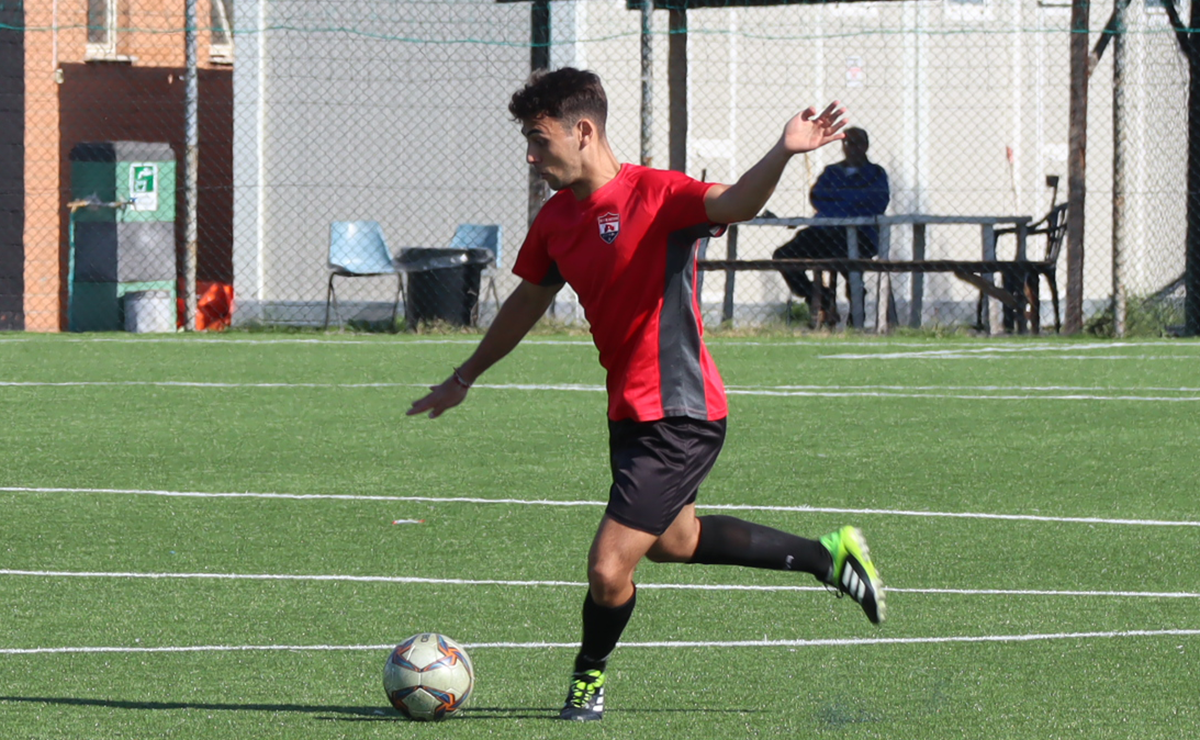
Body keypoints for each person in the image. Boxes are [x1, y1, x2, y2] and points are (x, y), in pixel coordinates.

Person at [407, 67, 884, 722]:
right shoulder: (555, 221)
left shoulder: (658, 194)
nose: (531, 156)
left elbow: (738, 202)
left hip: (680, 412)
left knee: (609, 569)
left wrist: (783, 150)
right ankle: (828, 556)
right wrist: (465, 376)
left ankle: (588, 679)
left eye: (539, 140)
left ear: (582, 131)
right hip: (629, 413)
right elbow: (526, 302)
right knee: (675, 541)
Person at [772, 127, 890, 325]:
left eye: (857, 143)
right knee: (784, 256)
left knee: (848, 263)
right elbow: (817, 197)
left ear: (865, 146)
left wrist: (838, 201)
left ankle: (856, 316)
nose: (852, 148)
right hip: (824, 232)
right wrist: (853, 199)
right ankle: (819, 296)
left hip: (861, 235)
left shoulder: (875, 173)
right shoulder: (832, 172)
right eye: (847, 143)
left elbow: (876, 202)